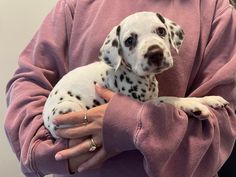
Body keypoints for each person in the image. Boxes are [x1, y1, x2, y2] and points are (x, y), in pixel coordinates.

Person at [4, 0, 236, 177]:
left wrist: (129, 123)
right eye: (131, 41)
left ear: (170, 34)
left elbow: (224, 121)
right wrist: (50, 153)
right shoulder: (76, 5)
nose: (153, 48)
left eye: (160, 32)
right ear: (117, 54)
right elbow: (27, 81)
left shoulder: (214, 9)